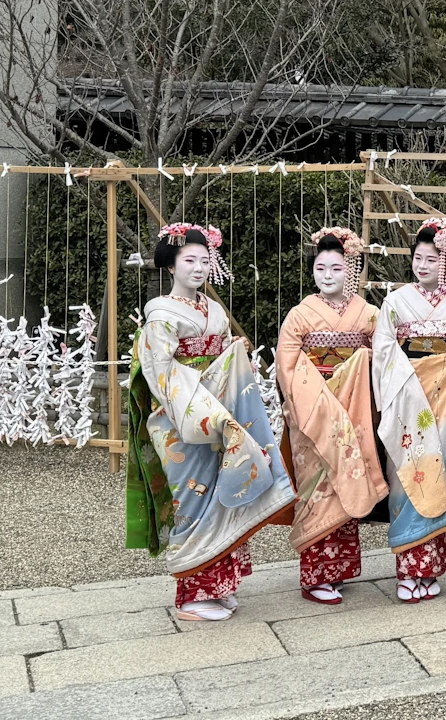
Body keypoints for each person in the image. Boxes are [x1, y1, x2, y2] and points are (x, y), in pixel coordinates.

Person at [126, 224, 295, 622]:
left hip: (218, 411)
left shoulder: (213, 311)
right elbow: (161, 373)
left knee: (224, 493)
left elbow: (219, 361)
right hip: (182, 418)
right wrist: (205, 410)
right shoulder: (161, 316)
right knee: (194, 497)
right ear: (170, 266)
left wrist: (234, 359)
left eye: (205, 260)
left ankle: (220, 586)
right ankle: (191, 594)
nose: (199, 268)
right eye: (190, 260)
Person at [372, 217, 446, 603]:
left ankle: (432, 568)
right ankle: (408, 570)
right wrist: (412, 377)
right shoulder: (395, 302)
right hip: (408, 399)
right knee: (409, 477)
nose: (422, 266)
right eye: (418, 258)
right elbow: (384, 351)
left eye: (431, 259)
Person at [276, 228, 388, 605]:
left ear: (350, 270)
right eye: (321, 268)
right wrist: (310, 404)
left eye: (336, 268)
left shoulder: (369, 314)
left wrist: (361, 365)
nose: (327, 275)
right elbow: (287, 368)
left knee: (347, 482)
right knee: (317, 487)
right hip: (312, 412)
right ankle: (315, 575)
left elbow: (383, 358)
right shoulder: (299, 315)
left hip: (353, 409)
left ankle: (338, 569)